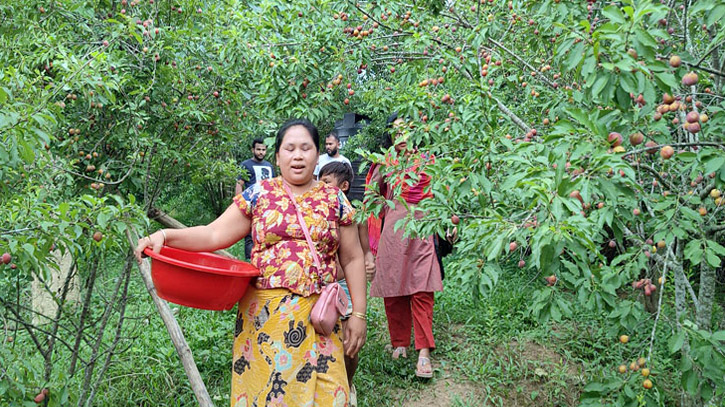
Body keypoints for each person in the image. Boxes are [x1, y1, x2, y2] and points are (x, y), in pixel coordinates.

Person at [135, 119, 368, 407]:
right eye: (289, 148)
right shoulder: (259, 195)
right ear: (277, 156)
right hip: (265, 322)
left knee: (327, 397)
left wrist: (358, 315)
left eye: (306, 148)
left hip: (320, 320)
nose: (297, 155)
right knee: (269, 397)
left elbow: (354, 257)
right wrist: (165, 235)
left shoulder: (335, 200)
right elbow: (213, 233)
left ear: (317, 154)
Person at [366, 113, 442, 379]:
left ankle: (424, 352)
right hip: (394, 232)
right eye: (395, 132)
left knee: (422, 288)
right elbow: (371, 199)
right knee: (393, 286)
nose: (401, 137)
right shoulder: (385, 163)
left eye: (406, 131)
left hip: (422, 230)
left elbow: (442, 195)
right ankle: (399, 342)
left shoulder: (428, 161)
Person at [318, 161, 376, 405]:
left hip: (346, 287)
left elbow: (363, 251)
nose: (320, 187)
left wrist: (369, 262)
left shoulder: (355, 215)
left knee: (349, 343)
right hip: (324, 287)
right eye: (319, 181)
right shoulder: (317, 213)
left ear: (343, 186)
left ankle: (348, 383)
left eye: (326, 183)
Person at [235, 138, 275, 260]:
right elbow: (239, 183)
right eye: (258, 149)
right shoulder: (246, 164)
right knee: (249, 235)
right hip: (251, 204)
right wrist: (239, 203)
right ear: (253, 150)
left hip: (268, 205)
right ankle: (249, 260)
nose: (261, 152)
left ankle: (264, 259)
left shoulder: (269, 166)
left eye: (263, 150)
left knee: (266, 233)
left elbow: (273, 184)